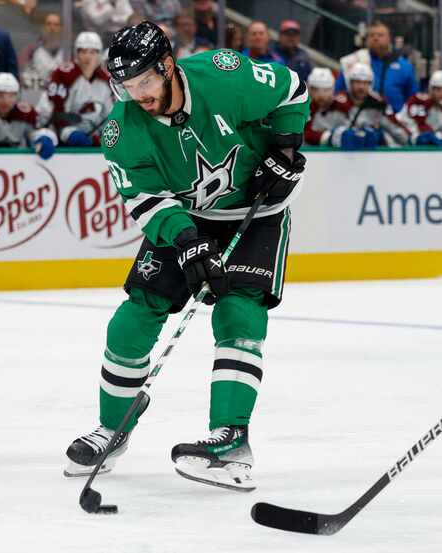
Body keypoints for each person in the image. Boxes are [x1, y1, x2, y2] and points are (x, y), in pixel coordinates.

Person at [64, 22, 309, 491]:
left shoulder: (225, 74)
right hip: (187, 220)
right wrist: (186, 240)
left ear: (168, 67)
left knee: (239, 313)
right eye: (127, 86)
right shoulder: (120, 130)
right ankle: (112, 428)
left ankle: (231, 440)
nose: (137, 95)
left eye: (145, 82)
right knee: (133, 317)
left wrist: (285, 147)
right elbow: (147, 201)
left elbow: (292, 90)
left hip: (256, 214)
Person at [37, 31, 113, 147]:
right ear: (76, 54)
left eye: (92, 52)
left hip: (96, 137)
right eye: (83, 51)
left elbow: (110, 115)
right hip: (65, 135)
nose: (88, 57)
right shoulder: (62, 75)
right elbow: (50, 113)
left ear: (99, 55)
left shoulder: (106, 81)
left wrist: (103, 137)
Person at [335, 20, 418, 113]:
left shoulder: (404, 66)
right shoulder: (354, 62)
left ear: (389, 38)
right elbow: (339, 93)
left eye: (380, 35)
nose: (375, 38)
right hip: (358, 120)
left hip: (394, 121)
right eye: (371, 35)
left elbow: (413, 99)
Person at [0, 72, 56, 159]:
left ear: (17, 97)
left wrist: (40, 138)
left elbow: (32, 135)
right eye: (1, 96)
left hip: (15, 163)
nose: (6, 101)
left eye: (11, 96)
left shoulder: (24, 113)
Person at [341, 63, 410, 147]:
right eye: (357, 82)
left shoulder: (379, 104)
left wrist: (382, 138)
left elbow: (401, 134)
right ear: (350, 83)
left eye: (366, 83)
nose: (361, 87)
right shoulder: (340, 102)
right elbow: (329, 133)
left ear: (371, 84)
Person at [303, 67, 355, 148]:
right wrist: (327, 137)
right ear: (309, 90)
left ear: (333, 89)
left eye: (326, 90)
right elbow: (303, 135)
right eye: (315, 89)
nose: (321, 95)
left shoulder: (343, 107)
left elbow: (350, 131)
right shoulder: (305, 108)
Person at [396, 70, 442, 147]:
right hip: (404, 140)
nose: (439, 93)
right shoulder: (419, 101)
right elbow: (422, 131)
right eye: (437, 89)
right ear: (431, 89)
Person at [19, 12, 64, 87]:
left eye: (56, 25)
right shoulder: (31, 50)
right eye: (48, 24)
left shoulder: (68, 51)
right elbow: (21, 74)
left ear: (61, 28)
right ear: (43, 27)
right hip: (37, 92)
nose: (52, 28)